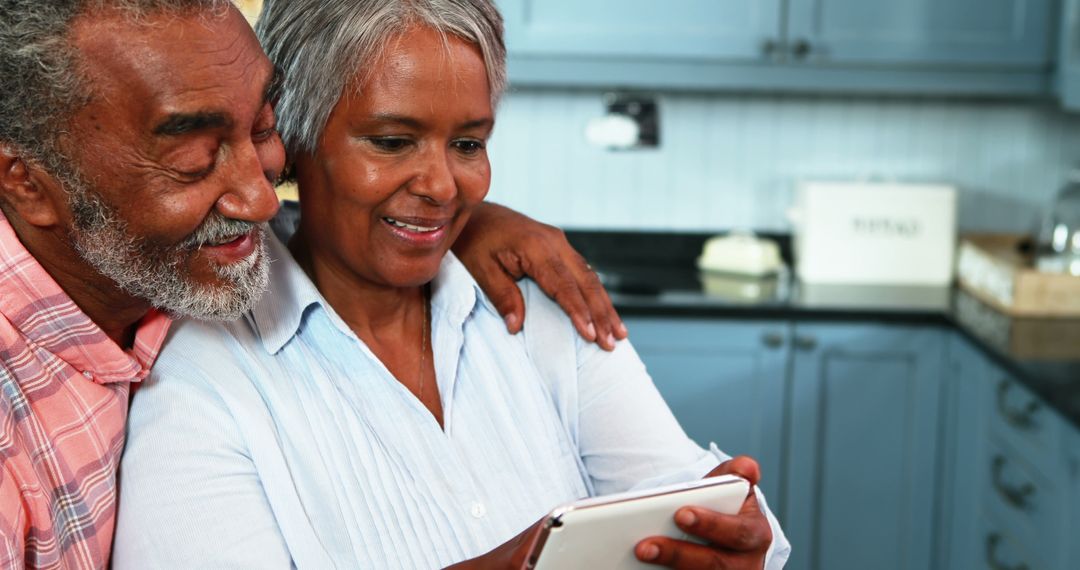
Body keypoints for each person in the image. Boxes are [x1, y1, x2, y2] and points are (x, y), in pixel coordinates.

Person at [114, 0, 791, 568]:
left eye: (468, 144)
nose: (443, 188)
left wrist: (727, 539)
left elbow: (680, 498)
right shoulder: (198, 378)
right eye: (391, 141)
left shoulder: (534, 302)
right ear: (292, 137)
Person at [0, 1, 626, 567]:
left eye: (264, 128)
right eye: (194, 158)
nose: (261, 199)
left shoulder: (162, 271)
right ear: (27, 182)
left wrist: (461, 219)